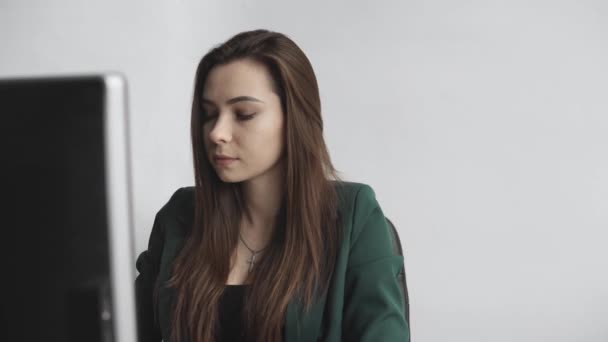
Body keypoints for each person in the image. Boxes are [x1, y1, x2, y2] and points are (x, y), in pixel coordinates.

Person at [135, 29, 409, 342]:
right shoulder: (179, 217)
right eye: (209, 115)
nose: (217, 133)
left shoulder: (353, 215)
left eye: (244, 114)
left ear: (295, 117)